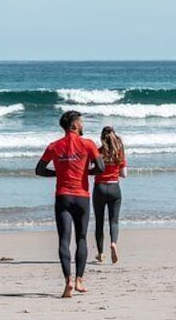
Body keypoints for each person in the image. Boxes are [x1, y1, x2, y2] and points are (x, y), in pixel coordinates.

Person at [35, 110, 104, 298]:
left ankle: (67, 282)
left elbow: (39, 170)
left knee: (64, 240)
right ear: (74, 125)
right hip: (82, 197)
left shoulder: (54, 146)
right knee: (81, 238)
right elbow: (101, 168)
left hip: (63, 197)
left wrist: (58, 173)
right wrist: (86, 173)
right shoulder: (88, 144)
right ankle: (79, 280)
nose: (83, 125)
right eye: (81, 122)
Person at [93, 126, 127, 264]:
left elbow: (92, 169)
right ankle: (113, 243)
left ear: (102, 138)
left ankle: (100, 254)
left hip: (100, 188)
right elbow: (124, 174)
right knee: (114, 221)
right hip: (114, 187)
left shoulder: (98, 152)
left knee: (99, 222)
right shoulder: (119, 153)